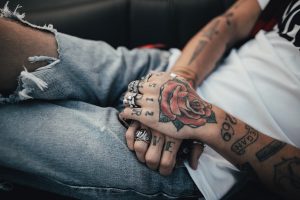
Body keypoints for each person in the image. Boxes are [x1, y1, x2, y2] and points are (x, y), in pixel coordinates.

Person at [0, 0, 299, 200]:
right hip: (169, 71)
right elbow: (231, 22)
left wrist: (201, 119)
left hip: (203, 163)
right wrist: (179, 80)